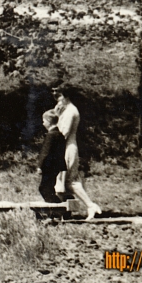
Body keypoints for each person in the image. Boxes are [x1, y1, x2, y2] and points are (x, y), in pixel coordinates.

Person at [53, 83, 102, 220]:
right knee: (62, 182)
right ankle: (63, 212)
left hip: (67, 148)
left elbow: (64, 132)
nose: (58, 98)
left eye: (60, 95)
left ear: (66, 96)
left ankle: (91, 206)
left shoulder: (71, 111)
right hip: (64, 147)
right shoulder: (66, 110)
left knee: (70, 181)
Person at [37, 109, 66, 203]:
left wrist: (40, 166)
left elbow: (45, 152)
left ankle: (58, 208)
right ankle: (58, 209)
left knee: (44, 188)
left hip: (48, 166)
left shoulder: (50, 135)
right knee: (49, 187)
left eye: (44, 121)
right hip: (56, 167)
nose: (43, 123)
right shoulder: (60, 134)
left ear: (49, 122)